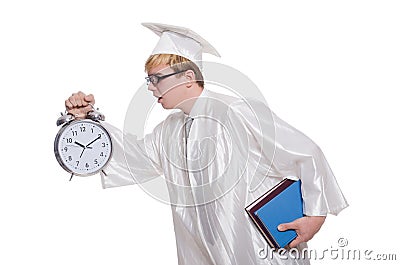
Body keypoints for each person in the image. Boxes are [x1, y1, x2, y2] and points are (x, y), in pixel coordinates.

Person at [64, 23, 348, 265]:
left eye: (157, 79)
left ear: (188, 77)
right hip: (202, 251)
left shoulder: (236, 110)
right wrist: (85, 122)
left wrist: (315, 215)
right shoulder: (168, 131)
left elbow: (306, 152)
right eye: (148, 80)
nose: (150, 87)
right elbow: (130, 157)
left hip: (255, 246)